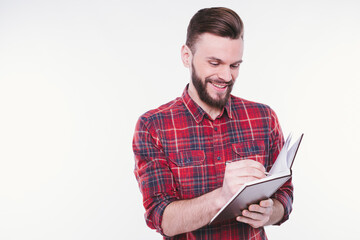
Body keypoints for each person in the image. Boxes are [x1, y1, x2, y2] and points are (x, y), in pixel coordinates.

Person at [133, 7, 293, 240]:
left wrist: (270, 213)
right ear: (187, 56)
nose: (226, 77)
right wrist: (222, 197)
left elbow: (284, 196)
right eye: (215, 63)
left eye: (234, 65)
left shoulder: (264, 117)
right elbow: (161, 218)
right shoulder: (153, 126)